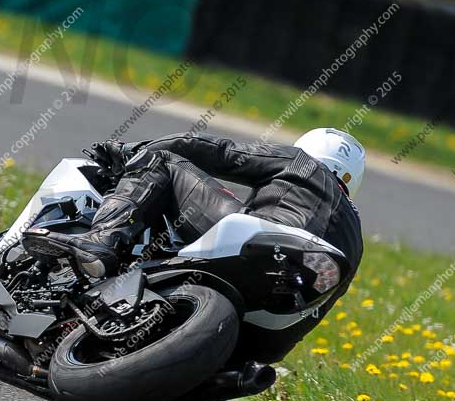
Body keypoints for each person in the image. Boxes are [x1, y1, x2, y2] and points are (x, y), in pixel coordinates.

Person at [23, 128, 364, 362]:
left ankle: (102, 240)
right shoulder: (356, 240)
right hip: (267, 337)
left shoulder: (303, 163)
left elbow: (218, 152)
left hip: (262, 246)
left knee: (162, 162)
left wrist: (132, 151)